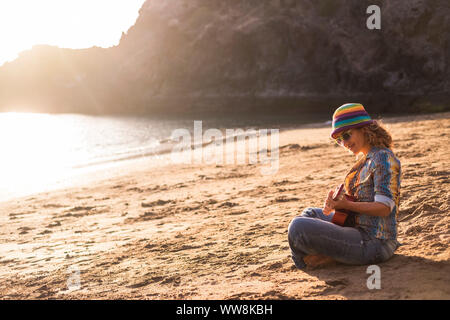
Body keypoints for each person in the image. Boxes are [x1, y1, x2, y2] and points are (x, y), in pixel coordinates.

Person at [288, 103, 402, 269]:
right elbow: (358, 205)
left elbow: (385, 207)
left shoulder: (382, 158)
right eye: (339, 140)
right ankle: (327, 256)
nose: (344, 143)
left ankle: (306, 262)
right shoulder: (365, 160)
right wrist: (337, 206)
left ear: (364, 129)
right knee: (310, 213)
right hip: (357, 228)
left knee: (298, 227)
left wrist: (347, 204)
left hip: (375, 242)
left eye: (347, 136)